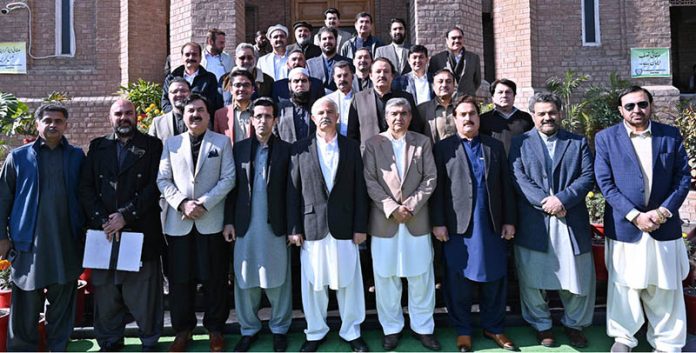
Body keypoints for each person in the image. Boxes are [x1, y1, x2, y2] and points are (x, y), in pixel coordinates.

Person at [594, 86, 691, 352]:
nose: (637, 110)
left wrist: (662, 212)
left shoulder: (670, 135)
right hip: (626, 226)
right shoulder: (606, 138)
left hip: (664, 224)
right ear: (620, 110)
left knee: (665, 287)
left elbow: (683, 178)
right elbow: (605, 182)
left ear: (650, 105)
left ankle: (667, 342)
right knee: (624, 285)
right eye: (630, 106)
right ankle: (623, 337)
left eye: (642, 104)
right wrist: (636, 216)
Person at [430, 95, 517, 352]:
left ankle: (494, 327)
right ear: (454, 119)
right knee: (458, 281)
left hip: (491, 225)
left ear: (479, 118)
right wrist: (438, 223)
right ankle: (463, 330)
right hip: (457, 228)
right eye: (463, 115)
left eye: (472, 114)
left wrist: (510, 221)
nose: (468, 118)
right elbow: (437, 191)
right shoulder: (443, 148)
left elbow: (506, 187)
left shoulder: (494, 147)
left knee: (494, 278)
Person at [508, 92, 596, 348]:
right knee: (532, 278)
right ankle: (542, 325)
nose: (547, 117)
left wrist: (563, 200)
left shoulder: (577, 142)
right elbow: (518, 177)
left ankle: (574, 324)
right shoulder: (520, 143)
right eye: (541, 113)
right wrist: (547, 203)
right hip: (535, 220)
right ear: (533, 116)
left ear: (560, 113)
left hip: (570, 219)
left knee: (577, 276)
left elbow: (587, 176)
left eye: (552, 112)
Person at [79, 99, 165, 352]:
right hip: (104, 233)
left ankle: (149, 341)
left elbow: (155, 185)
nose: (124, 117)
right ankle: (109, 340)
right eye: (118, 113)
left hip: (140, 230)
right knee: (106, 294)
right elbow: (86, 187)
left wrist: (126, 215)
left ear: (137, 116)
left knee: (144, 293)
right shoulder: (98, 147)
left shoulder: (152, 145)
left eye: (129, 113)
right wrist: (102, 219)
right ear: (110, 118)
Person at [287, 97, 370, 352]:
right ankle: (315, 332)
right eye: (320, 112)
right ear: (313, 118)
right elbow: (293, 192)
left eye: (330, 111)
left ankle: (351, 331)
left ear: (337, 117)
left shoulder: (352, 147)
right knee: (313, 283)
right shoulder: (299, 149)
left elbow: (360, 190)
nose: (325, 115)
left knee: (349, 281)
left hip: (345, 226)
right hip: (312, 225)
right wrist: (293, 228)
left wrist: (360, 226)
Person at [0, 103, 84, 352]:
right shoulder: (19, 157)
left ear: (66, 125)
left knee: (62, 304)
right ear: (37, 124)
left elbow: (86, 194)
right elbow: (3, 198)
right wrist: (2, 238)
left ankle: (58, 347)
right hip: (29, 243)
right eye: (47, 120)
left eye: (58, 121)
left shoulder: (76, 156)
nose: (53, 125)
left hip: (66, 241)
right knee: (25, 306)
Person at [157, 94, 235, 352]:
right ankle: (183, 330)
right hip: (179, 222)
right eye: (190, 110)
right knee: (180, 280)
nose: (195, 115)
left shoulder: (221, 143)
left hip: (210, 220)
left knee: (215, 278)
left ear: (208, 114)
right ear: (184, 114)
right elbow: (163, 180)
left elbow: (228, 178)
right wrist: (182, 203)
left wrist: (201, 203)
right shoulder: (171, 143)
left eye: (200, 110)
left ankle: (215, 329)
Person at [363, 98, 440, 351]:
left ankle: (423, 327)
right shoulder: (373, 144)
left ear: (410, 116)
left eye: (404, 113)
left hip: (416, 219)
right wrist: (392, 207)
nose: (399, 117)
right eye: (394, 113)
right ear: (386, 117)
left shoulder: (422, 142)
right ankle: (391, 328)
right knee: (386, 278)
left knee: (421, 277)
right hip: (385, 220)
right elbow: (370, 180)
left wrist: (411, 206)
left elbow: (430, 178)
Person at [224, 98, 293, 352]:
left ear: (275, 120)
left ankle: (279, 328)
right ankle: (249, 329)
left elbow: (293, 191)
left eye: (268, 116)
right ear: (251, 119)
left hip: (276, 226)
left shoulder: (287, 150)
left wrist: (293, 227)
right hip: (245, 225)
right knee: (245, 279)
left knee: (279, 279)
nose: (263, 121)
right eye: (259, 116)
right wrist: (229, 221)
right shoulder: (239, 149)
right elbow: (231, 190)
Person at [346, 57, 425, 148]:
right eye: (378, 71)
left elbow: (416, 130)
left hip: (400, 153)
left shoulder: (406, 98)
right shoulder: (359, 99)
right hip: (368, 155)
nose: (382, 75)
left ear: (392, 76)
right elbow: (352, 134)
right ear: (371, 75)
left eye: (386, 71)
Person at [162, 42, 223, 114]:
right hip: (177, 121)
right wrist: (181, 114)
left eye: (194, 55)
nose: (191, 58)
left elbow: (214, 104)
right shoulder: (171, 78)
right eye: (187, 55)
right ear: (182, 57)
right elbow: (165, 103)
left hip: (200, 120)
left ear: (200, 58)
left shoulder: (209, 79)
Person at [480, 78, 534, 154]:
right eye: (500, 92)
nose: (504, 95)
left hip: (520, 163)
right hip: (495, 164)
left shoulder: (525, 118)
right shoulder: (483, 119)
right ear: (493, 96)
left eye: (508, 92)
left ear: (514, 96)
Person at [428, 26, 481, 97]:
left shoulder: (474, 58)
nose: (457, 41)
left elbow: (477, 81)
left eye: (459, 38)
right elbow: (432, 81)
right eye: (453, 38)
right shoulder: (436, 59)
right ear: (447, 40)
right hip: (445, 100)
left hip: (467, 100)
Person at [275, 67, 319, 143]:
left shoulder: (318, 107)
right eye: (296, 81)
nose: (300, 84)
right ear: (289, 85)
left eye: (304, 81)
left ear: (310, 84)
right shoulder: (279, 108)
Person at [214, 68, 256, 145]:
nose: (242, 89)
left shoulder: (259, 112)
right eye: (237, 85)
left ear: (252, 89)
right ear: (231, 89)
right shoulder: (220, 114)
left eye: (246, 85)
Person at [307, 27, 351, 92]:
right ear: (319, 42)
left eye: (330, 38)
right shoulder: (309, 64)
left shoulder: (348, 62)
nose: (327, 41)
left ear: (336, 40)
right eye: (324, 39)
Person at [417, 69, 456, 143]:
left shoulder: (461, 108)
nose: (444, 85)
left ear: (454, 86)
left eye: (448, 81)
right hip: (433, 153)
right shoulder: (422, 109)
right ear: (433, 86)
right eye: (440, 82)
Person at [150, 77, 191, 141]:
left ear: (190, 94)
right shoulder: (157, 123)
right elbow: (150, 149)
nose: (179, 94)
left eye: (183, 91)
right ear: (169, 96)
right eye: (174, 91)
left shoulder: (200, 120)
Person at [325, 60, 356, 136]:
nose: (342, 79)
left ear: (352, 77)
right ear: (334, 79)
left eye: (345, 75)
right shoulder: (328, 100)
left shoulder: (361, 98)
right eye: (339, 76)